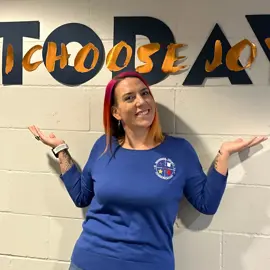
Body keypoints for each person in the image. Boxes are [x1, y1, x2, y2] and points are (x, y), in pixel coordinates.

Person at [28, 71, 267, 270]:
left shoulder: (179, 151)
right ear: (116, 113)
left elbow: (206, 203)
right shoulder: (104, 145)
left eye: (145, 93)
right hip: (89, 261)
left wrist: (224, 153)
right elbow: (81, 196)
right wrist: (60, 149)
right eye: (129, 98)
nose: (142, 102)